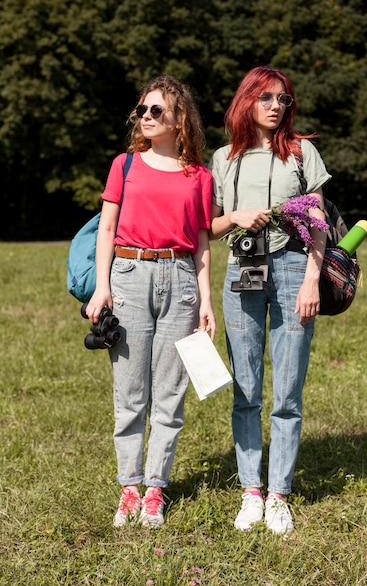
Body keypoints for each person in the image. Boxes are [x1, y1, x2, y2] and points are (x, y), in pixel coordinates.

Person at [86, 74, 215, 528]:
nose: (145, 117)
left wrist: (206, 302)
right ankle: (129, 487)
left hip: (180, 280)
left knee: (170, 392)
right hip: (128, 274)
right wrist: (102, 286)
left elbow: (201, 243)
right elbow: (106, 228)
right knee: (130, 393)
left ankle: (156, 489)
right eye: (141, 110)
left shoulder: (200, 176)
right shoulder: (124, 165)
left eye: (156, 110)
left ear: (180, 120)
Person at [209, 66, 331, 535]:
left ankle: (279, 493)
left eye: (284, 99)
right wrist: (237, 214)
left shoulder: (302, 154)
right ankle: (250, 492)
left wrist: (311, 281)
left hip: (293, 270)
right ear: (248, 102)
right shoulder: (224, 158)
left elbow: (318, 222)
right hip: (242, 273)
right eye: (267, 98)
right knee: (246, 389)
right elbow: (210, 227)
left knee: (288, 391)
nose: (277, 106)